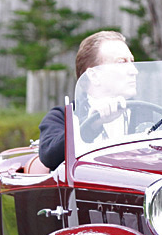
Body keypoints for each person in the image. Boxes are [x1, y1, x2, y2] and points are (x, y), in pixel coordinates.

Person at [37, 30, 137, 169]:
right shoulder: (62, 117)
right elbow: (49, 157)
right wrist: (91, 124)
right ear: (94, 76)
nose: (134, 71)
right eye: (122, 62)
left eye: (132, 61)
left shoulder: (148, 114)